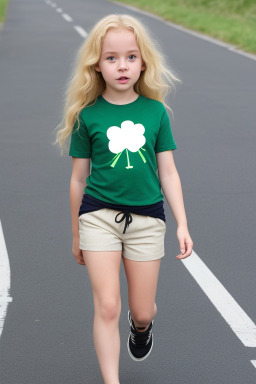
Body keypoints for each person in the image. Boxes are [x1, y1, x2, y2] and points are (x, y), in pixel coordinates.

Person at [53, 13, 193, 384]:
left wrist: (182, 223)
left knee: (142, 311)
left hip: (147, 220)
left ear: (143, 61)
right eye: (111, 58)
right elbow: (78, 179)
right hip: (98, 217)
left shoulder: (156, 112)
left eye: (131, 56)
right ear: (96, 65)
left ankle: (142, 327)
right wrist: (75, 234)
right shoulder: (87, 116)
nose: (122, 66)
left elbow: (168, 173)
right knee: (108, 305)